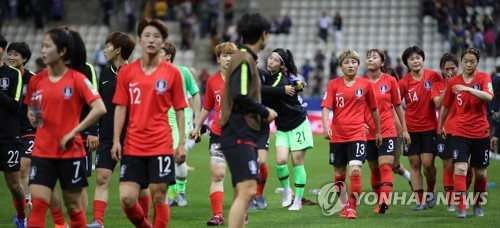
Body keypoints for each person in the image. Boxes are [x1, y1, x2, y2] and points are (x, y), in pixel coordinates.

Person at [24, 27, 106, 228]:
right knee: (38, 206)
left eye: (48, 46)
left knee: (73, 207)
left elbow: (99, 108)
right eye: (42, 46)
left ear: (62, 52)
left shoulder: (77, 79)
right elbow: (31, 110)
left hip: (71, 152)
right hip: (42, 151)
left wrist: (74, 131)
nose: (43, 50)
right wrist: (32, 116)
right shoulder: (36, 80)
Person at [111, 18, 187, 227]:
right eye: (147, 36)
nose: (151, 40)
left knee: (159, 196)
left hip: (161, 143)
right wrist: (117, 140)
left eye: (156, 37)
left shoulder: (172, 73)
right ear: (140, 40)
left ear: (163, 42)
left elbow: (180, 109)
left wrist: (180, 143)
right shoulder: (126, 72)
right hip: (133, 143)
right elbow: (120, 107)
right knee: (127, 198)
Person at [87, 31, 151, 228]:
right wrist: (93, 130)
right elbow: (96, 104)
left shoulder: (135, 73)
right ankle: (98, 221)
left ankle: (144, 223)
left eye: (107, 46)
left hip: (133, 138)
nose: (104, 50)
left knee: (139, 186)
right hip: (107, 136)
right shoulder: (104, 75)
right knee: (102, 177)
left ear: (118, 49)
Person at [219, 12, 277, 227]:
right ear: (263, 35)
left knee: (241, 192)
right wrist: (264, 111)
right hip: (238, 132)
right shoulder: (244, 59)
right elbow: (239, 94)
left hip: (238, 131)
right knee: (248, 191)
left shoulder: (243, 57)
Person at [321, 50, 381, 219]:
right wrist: (326, 126)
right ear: (341, 66)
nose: (350, 65)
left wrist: (378, 131)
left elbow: (374, 109)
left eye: (354, 62)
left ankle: (352, 208)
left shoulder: (366, 85)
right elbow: (326, 107)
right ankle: (344, 205)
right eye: (347, 62)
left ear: (358, 64)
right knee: (339, 173)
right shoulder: (333, 84)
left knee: (355, 170)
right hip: (338, 135)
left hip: (357, 134)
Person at [188, 41, 236, 226]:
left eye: (231, 55)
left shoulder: (243, 80)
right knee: (217, 175)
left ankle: (241, 212)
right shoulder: (212, 81)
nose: (228, 58)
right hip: (218, 134)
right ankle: (218, 215)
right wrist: (197, 126)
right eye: (224, 55)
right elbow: (207, 106)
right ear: (218, 59)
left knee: (240, 177)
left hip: (239, 135)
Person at [440, 48, 492, 218]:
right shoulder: (454, 82)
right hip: (460, 131)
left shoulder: (484, 78)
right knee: (461, 168)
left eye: (472, 62)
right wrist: (441, 125)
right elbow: (446, 106)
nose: (469, 64)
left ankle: (477, 204)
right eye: (466, 61)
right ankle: (462, 207)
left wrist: (468, 89)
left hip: (481, 132)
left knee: (480, 173)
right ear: (461, 62)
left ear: (478, 63)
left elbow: (488, 97)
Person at [261, 48, 312, 211]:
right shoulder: (269, 77)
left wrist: (289, 87)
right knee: (280, 162)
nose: (270, 61)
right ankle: (286, 191)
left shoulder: (282, 81)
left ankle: (297, 200)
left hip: (298, 123)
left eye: (275, 60)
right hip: (282, 126)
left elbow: (264, 92)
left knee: (297, 162)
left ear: (282, 65)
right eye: (270, 58)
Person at [364, 49, 411, 214]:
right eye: (368, 57)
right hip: (368, 132)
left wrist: (404, 130)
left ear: (382, 62)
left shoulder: (390, 81)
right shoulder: (361, 83)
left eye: (375, 57)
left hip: (388, 129)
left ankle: (384, 203)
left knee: (385, 167)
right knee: (374, 168)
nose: (371, 59)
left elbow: (398, 107)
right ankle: (379, 202)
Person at [399, 46, 442, 210]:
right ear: (407, 63)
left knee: (428, 163)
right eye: (411, 59)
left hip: (430, 127)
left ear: (423, 59)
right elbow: (397, 106)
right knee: (414, 163)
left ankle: (431, 190)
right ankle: (420, 201)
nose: (415, 61)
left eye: (418, 58)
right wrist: (404, 130)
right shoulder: (403, 82)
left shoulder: (433, 76)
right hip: (411, 129)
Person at [159, 41, 201, 207]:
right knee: (166, 158)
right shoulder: (151, 72)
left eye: (160, 51)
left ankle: (181, 192)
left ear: (168, 55)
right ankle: (170, 195)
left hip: (179, 119)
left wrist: (197, 116)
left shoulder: (183, 71)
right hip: (160, 119)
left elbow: (195, 94)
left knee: (178, 158)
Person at [0, 35, 27, 228]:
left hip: (8, 135)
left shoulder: (13, 74)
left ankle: (21, 216)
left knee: (14, 184)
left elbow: (16, 105)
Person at [7, 42, 35, 214]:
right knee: (14, 174)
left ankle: (28, 202)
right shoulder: (4, 76)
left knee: (24, 166)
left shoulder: (32, 79)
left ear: (24, 59)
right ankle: (22, 206)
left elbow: (38, 103)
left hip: (29, 130)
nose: (11, 57)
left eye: (16, 54)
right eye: (9, 53)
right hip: (10, 130)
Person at [432, 53, 460, 211]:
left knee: (465, 167)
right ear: (441, 70)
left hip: (463, 129)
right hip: (444, 129)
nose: (450, 71)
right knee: (448, 165)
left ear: (458, 67)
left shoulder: (465, 83)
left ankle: (461, 196)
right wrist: (449, 86)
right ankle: (451, 201)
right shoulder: (438, 85)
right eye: (446, 68)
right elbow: (438, 103)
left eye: (453, 68)